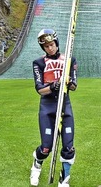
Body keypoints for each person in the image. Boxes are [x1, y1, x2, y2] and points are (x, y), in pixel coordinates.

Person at [30, 29, 77, 187]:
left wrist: (68, 81)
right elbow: (40, 89)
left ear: (56, 43)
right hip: (47, 108)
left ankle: (64, 180)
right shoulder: (39, 63)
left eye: (52, 45)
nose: (50, 48)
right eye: (46, 46)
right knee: (45, 148)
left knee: (69, 147)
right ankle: (37, 164)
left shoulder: (69, 60)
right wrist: (54, 85)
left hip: (65, 106)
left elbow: (74, 86)